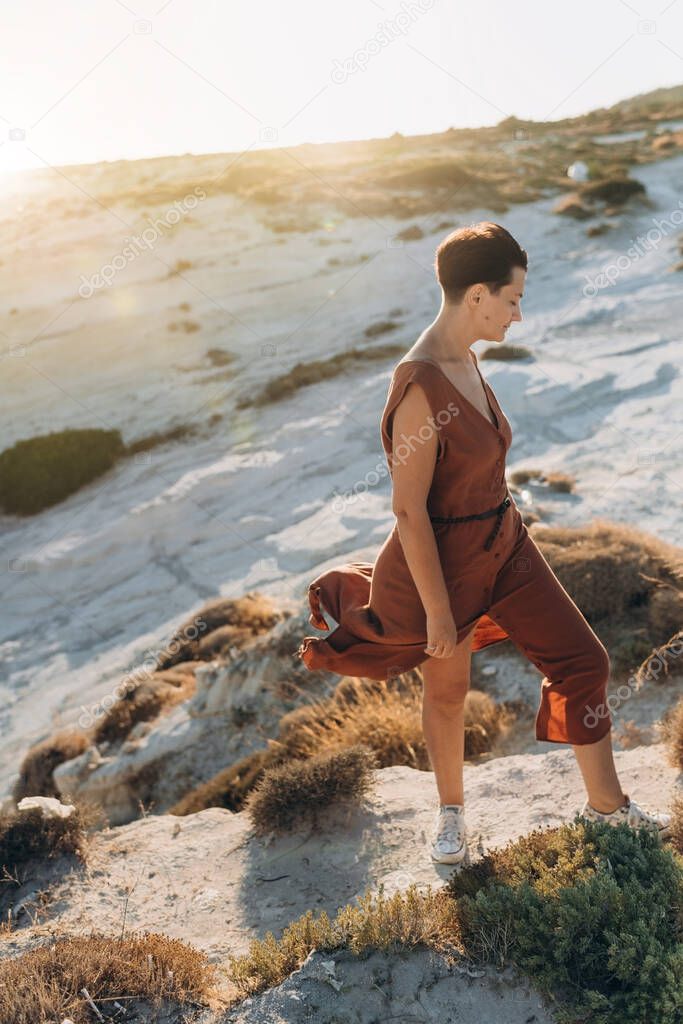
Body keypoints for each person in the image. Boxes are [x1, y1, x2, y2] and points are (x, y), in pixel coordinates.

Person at [297, 221, 671, 864]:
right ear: (477, 295)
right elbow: (409, 511)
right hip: (440, 568)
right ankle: (450, 817)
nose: (518, 315)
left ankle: (607, 809)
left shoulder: (467, 358)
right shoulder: (420, 386)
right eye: (514, 299)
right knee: (446, 691)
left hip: (506, 544)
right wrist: (440, 612)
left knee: (584, 661)